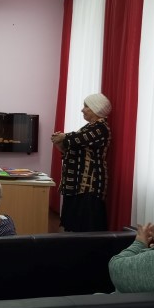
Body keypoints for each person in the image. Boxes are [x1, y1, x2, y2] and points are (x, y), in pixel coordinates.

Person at [51, 93, 112, 232]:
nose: (82, 110)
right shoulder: (89, 127)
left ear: (96, 108)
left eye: (86, 106)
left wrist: (63, 136)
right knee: (73, 225)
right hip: (76, 185)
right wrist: (60, 143)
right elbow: (72, 149)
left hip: (89, 185)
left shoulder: (101, 128)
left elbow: (79, 138)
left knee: (87, 226)